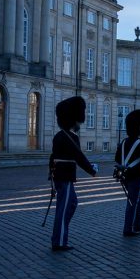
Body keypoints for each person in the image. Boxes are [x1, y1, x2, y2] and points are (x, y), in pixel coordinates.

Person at [49, 96, 98, 251]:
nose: (79, 124)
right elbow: (79, 157)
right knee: (64, 209)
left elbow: (53, 157)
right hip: (65, 177)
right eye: (78, 120)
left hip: (60, 176)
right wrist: (92, 170)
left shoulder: (59, 135)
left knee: (71, 204)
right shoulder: (71, 137)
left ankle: (58, 235)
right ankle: (59, 241)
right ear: (73, 119)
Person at [114, 109, 140, 236]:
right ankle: (128, 228)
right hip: (137, 175)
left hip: (125, 175)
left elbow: (117, 158)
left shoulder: (123, 142)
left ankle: (137, 224)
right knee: (133, 201)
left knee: (135, 200)